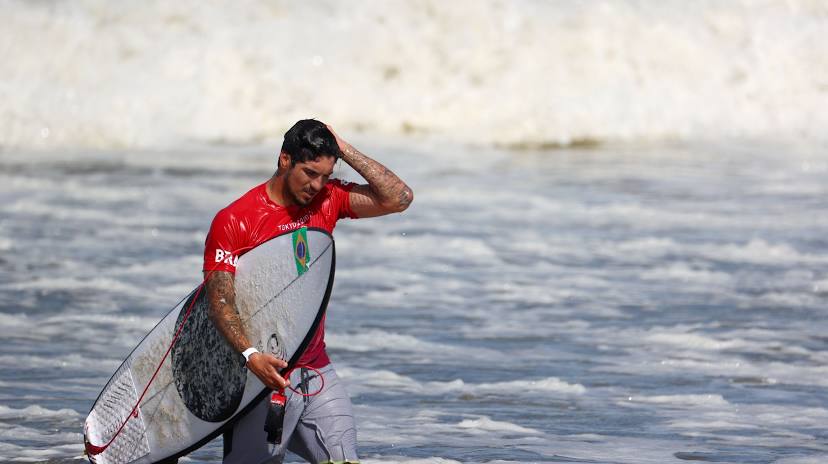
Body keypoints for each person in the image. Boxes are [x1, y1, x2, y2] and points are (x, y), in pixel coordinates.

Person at [201, 119, 413, 464]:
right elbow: (219, 300)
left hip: (315, 369)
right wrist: (250, 355)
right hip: (259, 376)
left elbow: (399, 198)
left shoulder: (327, 201)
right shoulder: (235, 220)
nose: (317, 185)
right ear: (285, 160)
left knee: (344, 460)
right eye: (310, 173)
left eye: (326, 176)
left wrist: (342, 148)